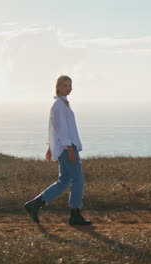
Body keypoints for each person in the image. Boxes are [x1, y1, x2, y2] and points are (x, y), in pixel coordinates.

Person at [24, 75, 92, 226]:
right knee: (77, 179)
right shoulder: (60, 106)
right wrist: (70, 149)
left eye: (70, 85)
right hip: (67, 147)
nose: (69, 88)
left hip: (62, 147)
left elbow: (55, 129)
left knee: (64, 180)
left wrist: (51, 146)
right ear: (59, 87)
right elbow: (62, 130)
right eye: (66, 85)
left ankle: (34, 204)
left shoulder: (61, 104)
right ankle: (75, 214)